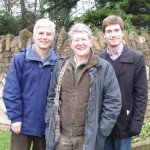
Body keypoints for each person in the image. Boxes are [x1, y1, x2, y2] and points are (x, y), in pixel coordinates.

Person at [45, 23, 122, 150]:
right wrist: (49, 120)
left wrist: (102, 131)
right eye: (76, 40)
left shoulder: (103, 67)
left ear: (91, 42)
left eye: (84, 39)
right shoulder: (60, 66)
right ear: (71, 44)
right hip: (61, 137)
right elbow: (51, 96)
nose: (80, 43)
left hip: (88, 138)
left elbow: (113, 102)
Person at [3, 18, 58, 150]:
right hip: (22, 124)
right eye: (40, 33)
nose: (44, 37)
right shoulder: (21, 60)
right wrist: (15, 118)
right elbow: (11, 90)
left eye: (48, 34)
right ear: (34, 35)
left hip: (45, 125)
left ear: (53, 37)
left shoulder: (58, 63)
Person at [99, 15, 148, 150]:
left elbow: (141, 93)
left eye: (116, 30)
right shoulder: (98, 59)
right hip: (103, 123)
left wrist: (136, 122)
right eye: (109, 31)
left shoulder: (136, 58)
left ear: (122, 32)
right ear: (103, 34)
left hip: (125, 123)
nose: (113, 34)